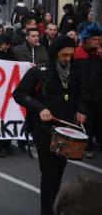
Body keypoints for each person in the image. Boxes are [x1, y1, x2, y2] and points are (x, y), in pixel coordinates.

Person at [13, 35, 87, 215]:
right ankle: (47, 210)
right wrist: (40, 108)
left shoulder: (75, 72)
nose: (67, 59)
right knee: (49, 173)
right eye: (64, 55)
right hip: (44, 129)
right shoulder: (39, 71)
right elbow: (19, 94)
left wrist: (81, 110)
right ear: (55, 54)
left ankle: (54, 206)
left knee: (59, 173)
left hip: (67, 128)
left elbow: (78, 95)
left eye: (70, 55)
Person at [73, 23, 102, 159]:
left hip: (98, 94)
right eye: (94, 40)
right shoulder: (77, 53)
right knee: (87, 123)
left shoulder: (99, 53)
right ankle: (87, 146)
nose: (97, 42)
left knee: (99, 121)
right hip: (83, 95)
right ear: (86, 40)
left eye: (98, 39)